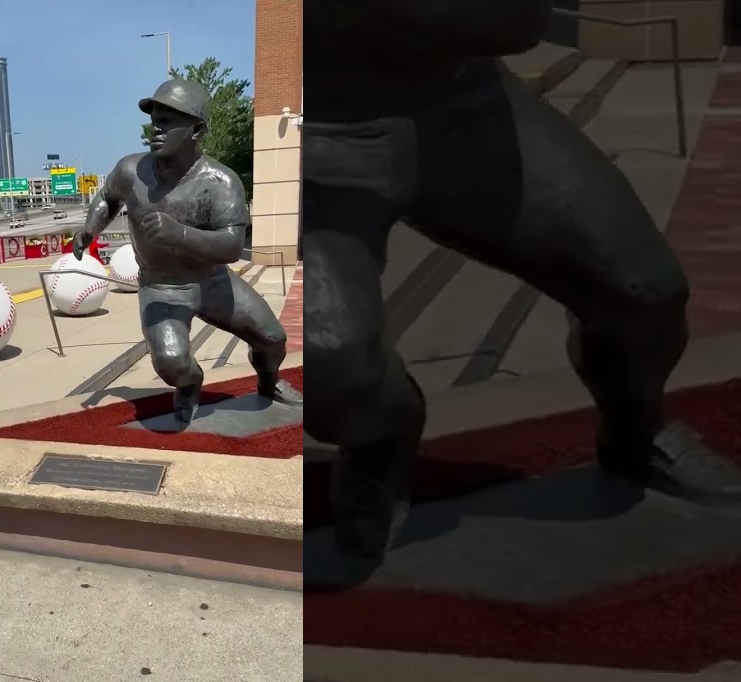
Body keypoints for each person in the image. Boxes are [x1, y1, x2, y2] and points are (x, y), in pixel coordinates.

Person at [302, 0, 741, 565]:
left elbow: (513, 19)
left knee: (644, 292)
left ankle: (636, 432)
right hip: (310, 135)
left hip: (464, 108)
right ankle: (379, 437)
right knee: (326, 358)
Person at [73, 78, 303, 424]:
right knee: (170, 361)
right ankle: (190, 384)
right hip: (161, 286)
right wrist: (90, 228)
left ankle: (269, 382)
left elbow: (230, 245)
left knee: (272, 338)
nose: (156, 128)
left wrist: (178, 233)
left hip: (213, 281)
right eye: (155, 119)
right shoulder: (130, 170)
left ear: (196, 130)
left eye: (168, 121)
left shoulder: (220, 181)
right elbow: (107, 197)